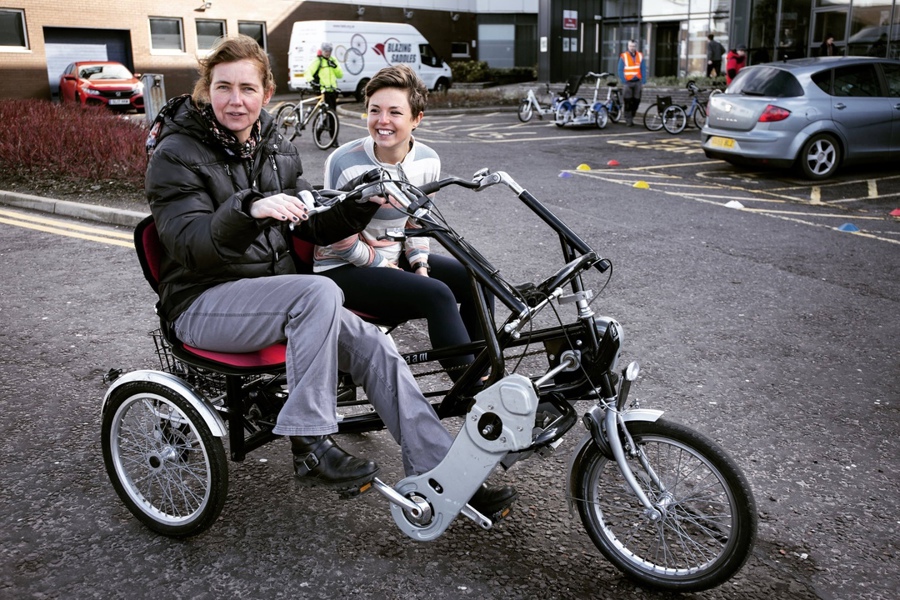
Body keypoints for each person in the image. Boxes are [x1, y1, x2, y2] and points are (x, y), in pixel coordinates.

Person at [144, 35, 517, 517]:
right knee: (319, 291)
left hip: (275, 296)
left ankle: (444, 475)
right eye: (223, 87)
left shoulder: (273, 144)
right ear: (205, 89)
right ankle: (310, 444)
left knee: (376, 348)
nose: (236, 100)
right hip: (203, 301)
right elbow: (191, 245)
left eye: (247, 88)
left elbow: (313, 222)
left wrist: (359, 206)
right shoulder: (175, 154)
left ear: (267, 92)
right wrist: (249, 208)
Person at [315, 64, 489, 381]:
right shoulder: (344, 161)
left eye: (395, 112)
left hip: (391, 260)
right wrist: (386, 265)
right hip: (342, 268)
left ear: (416, 119)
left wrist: (420, 264)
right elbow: (335, 238)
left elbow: (417, 223)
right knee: (436, 294)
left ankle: (484, 373)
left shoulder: (427, 159)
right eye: (374, 111)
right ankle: (469, 387)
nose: (382, 121)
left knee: (479, 278)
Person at [307, 41, 343, 147]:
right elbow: (308, 72)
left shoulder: (333, 60)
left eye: (329, 51)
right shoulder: (318, 61)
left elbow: (340, 75)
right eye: (326, 51)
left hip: (332, 91)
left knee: (333, 116)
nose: (328, 53)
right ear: (322, 51)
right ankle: (318, 134)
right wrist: (312, 81)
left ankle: (333, 139)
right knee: (324, 115)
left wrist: (335, 66)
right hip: (322, 91)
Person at [617, 39, 647, 127]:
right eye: (630, 46)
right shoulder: (624, 56)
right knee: (628, 101)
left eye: (633, 46)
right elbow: (620, 70)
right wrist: (624, 80)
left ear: (636, 46)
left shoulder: (640, 56)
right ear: (628, 46)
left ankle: (632, 115)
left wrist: (643, 81)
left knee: (637, 101)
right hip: (628, 82)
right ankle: (628, 119)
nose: (632, 48)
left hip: (637, 82)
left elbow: (643, 69)